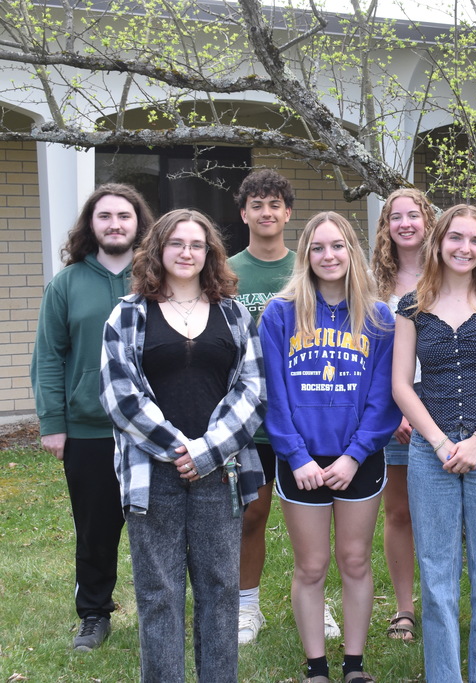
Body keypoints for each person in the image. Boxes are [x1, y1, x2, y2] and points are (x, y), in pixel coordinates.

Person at [98, 209, 265, 682]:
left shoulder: (233, 312)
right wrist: (180, 449)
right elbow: (119, 394)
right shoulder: (128, 314)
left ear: (210, 252)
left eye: (197, 244)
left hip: (221, 473)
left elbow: (253, 390)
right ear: (158, 250)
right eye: (176, 243)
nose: (187, 252)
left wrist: (208, 451)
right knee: (158, 595)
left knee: (220, 592)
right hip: (152, 476)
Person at [261, 211, 401, 683]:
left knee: (355, 560)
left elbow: (384, 397)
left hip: (356, 457)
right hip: (301, 459)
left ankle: (355, 666)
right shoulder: (281, 314)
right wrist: (296, 456)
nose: (329, 256)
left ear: (352, 252)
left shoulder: (378, 316)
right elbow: (274, 395)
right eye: (318, 248)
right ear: (305, 255)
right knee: (312, 564)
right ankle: (316, 668)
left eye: (338, 246)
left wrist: (355, 454)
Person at [393, 204, 476, 682]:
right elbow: (402, 385)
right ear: (438, 242)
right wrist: (440, 441)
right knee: (437, 578)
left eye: (475, 240)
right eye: (455, 238)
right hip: (432, 454)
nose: (464, 248)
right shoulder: (412, 305)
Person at [31, 183, 155, 652]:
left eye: (124, 216)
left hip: (151, 429)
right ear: (91, 225)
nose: (115, 224)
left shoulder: (157, 280)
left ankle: (157, 610)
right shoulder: (66, 285)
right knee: (96, 530)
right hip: (89, 429)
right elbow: (48, 357)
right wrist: (53, 423)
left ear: (139, 224)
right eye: (105, 216)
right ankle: (94, 615)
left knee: (156, 529)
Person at [228, 169, 337, 644]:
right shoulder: (228, 272)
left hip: (304, 415)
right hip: (249, 420)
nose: (266, 212)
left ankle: (320, 599)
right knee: (252, 513)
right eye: (257, 204)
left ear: (288, 213)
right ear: (244, 213)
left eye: (275, 204)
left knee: (313, 516)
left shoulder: (308, 267)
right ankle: (246, 606)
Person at [370, 188, 434, 642]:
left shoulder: (449, 273)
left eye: (414, 215)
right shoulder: (374, 286)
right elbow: (369, 357)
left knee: (442, 515)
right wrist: (392, 413)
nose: (406, 223)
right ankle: (405, 609)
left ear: (429, 221)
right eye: (397, 217)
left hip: (447, 412)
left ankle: (440, 602)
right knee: (399, 515)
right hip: (393, 418)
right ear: (386, 226)